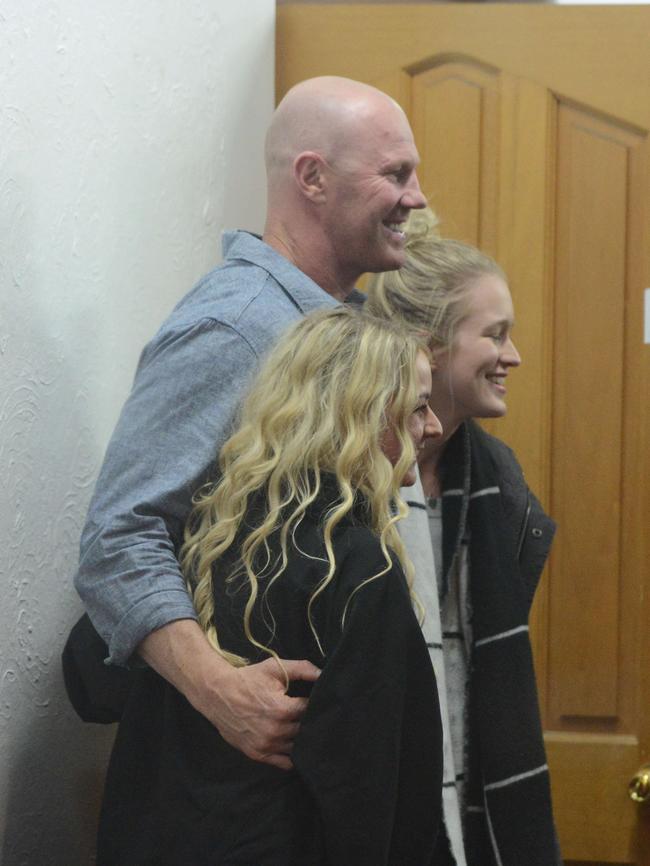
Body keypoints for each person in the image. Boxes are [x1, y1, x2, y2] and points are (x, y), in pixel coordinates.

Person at [71, 75, 427, 765]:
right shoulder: (236, 328)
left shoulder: (332, 329)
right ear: (313, 179)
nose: (417, 198)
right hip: (221, 787)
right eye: (396, 174)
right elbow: (119, 537)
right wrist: (219, 691)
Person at [96, 306, 444, 865]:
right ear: (361, 415)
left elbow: (89, 681)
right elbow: (377, 798)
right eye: (419, 407)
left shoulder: (198, 536)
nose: (434, 427)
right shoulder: (357, 569)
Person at [366, 208, 561, 866]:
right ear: (430, 344)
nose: (514, 356)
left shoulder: (499, 486)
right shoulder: (348, 475)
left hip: (464, 802)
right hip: (370, 801)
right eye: (496, 335)